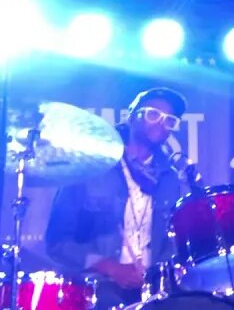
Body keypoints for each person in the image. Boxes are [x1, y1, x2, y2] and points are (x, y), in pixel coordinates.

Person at [45, 87, 191, 309]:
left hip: (152, 290)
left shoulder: (170, 177)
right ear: (132, 116)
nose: (162, 123)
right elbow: (57, 243)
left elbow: (171, 242)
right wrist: (110, 267)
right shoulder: (92, 166)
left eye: (170, 120)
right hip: (96, 287)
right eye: (153, 114)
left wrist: (165, 272)